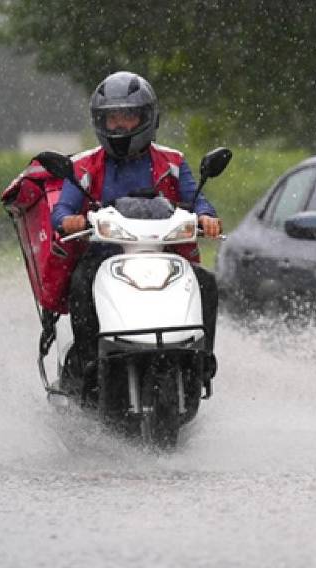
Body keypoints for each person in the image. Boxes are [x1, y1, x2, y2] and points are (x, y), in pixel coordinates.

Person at [50, 71, 222, 392]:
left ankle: (201, 360)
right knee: (80, 282)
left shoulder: (172, 161)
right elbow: (61, 210)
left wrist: (206, 218)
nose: (120, 126)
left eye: (128, 116)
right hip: (104, 257)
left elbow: (197, 201)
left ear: (148, 118)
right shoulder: (85, 166)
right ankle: (89, 362)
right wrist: (68, 221)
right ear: (100, 121)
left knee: (206, 283)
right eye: (112, 117)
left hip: (163, 253)